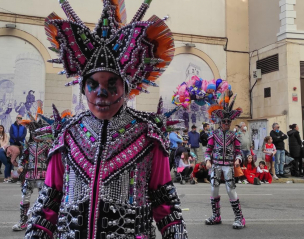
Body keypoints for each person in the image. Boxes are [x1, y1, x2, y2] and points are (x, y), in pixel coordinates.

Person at [25, 1, 187, 238]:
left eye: (112, 84)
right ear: (83, 88)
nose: (101, 94)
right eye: (93, 85)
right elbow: (49, 203)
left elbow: (165, 206)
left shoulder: (148, 136)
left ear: (126, 87)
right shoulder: (67, 136)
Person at [205, 95, 245, 229]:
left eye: (228, 122)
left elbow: (238, 150)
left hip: (228, 166)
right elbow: (208, 150)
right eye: (224, 122)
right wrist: (207, 160)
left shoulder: (234, 135)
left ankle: (240, 218)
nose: (226, 124)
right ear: (220, 122)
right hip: (216, 165)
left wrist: (238, 159)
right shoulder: (214, 134)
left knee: (231, 190)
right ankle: (216, 216)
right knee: (213, 190)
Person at [12, 116, 51, 231]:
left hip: (43, 177)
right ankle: (23, 221)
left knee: (43, 200)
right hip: (29, 177)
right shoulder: (29, 146)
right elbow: (23, 157)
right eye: (34, 133)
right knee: (24, 199)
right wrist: (20, 166)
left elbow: (52, 160)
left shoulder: (47, 146)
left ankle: (42, 222)